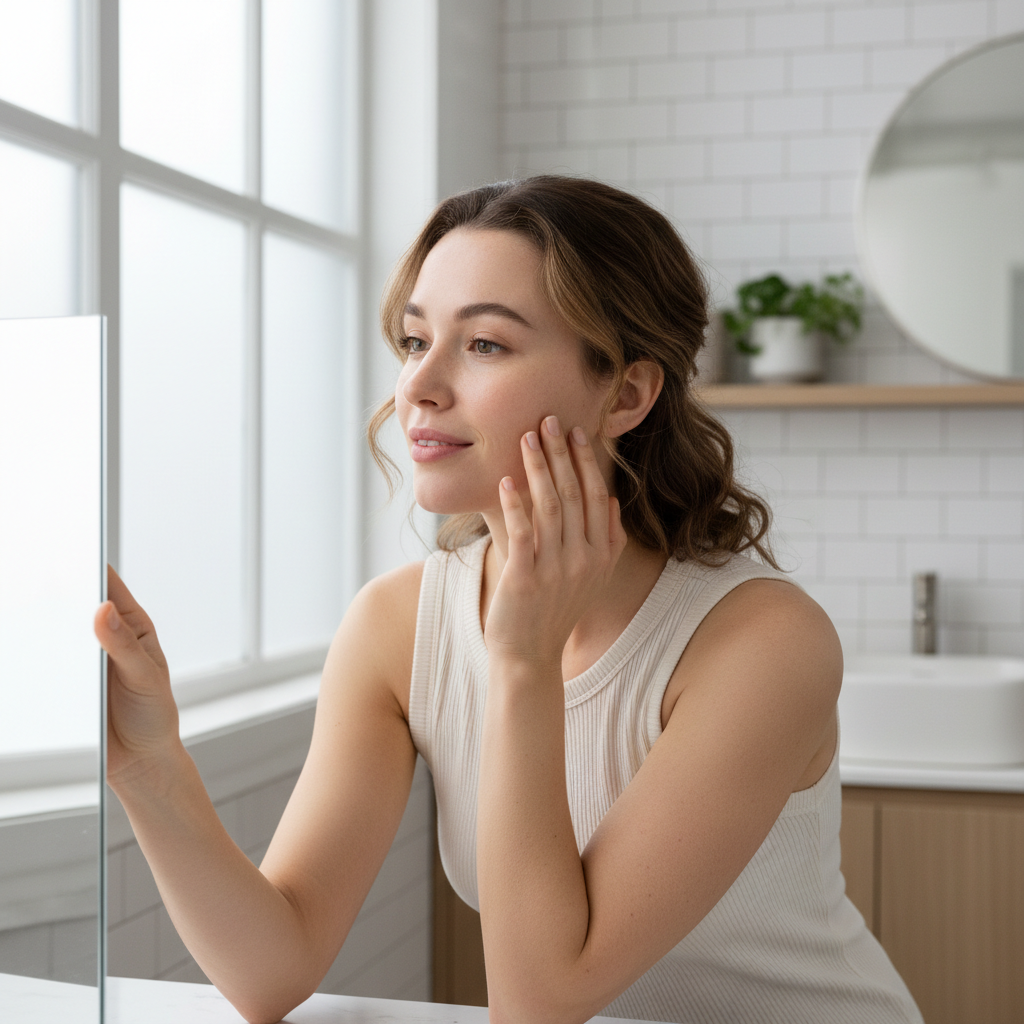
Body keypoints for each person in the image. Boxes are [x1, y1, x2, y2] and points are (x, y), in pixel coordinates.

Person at [95, 175, 922, 1024]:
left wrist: (522, 658)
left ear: (627, 393)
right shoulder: (394, 626)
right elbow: (273, 968)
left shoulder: (760, 642)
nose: (419, 385)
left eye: (485, 344)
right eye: (416, 340)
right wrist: (151, 768)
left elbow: (540, 1003)